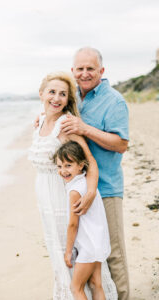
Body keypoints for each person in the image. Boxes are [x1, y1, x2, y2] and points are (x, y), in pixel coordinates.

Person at [28, 71, 117, 299]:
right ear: (41, 95)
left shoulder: (65, 126)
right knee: (60, 259)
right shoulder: (39, 122)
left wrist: (89, 194)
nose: (56, 98)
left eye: (63, 94)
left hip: (65, 203)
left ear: (68, 100)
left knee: (72, 260)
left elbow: (90, 162)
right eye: (52, 92)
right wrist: (40, 116)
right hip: (46, 204)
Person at [61, 47, 130, 300]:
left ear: (101, 70)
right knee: (85, 252)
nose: (85, 73)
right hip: (77, 189)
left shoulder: (114, 101)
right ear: (73, 71)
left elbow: (121, 144)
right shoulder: (73, 98)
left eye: (91, 68)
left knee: (112, 253)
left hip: (106, 188)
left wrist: (85, 128)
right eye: (80, 68)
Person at [53, 140, 111, 300]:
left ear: (81, 165)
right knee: (95, 283)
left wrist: (68, 250)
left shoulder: (74, 191)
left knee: (76, 288)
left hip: (88, 246)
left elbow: (73, 224)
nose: (63, 171)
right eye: (59, 166)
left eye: (68, 165)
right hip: (98, 241)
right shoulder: (87, 183)